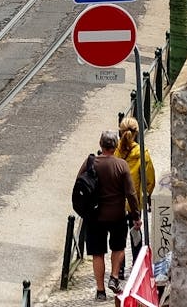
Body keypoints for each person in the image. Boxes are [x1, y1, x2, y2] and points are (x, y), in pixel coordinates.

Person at [77, 129, 140, 300]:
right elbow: (131, 193)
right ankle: (113, 276)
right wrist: (136, 215)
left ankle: (100, 291)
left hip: (95, 216)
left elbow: (79, 184)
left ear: (101, 144)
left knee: (98, 253)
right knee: (118, 248)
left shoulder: (90, 163)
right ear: (116, 145)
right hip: (117, 215)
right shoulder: (121, 165)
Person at [116, 116, 155, 276]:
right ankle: (137, 270)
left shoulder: (115, 152)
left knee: (118, 240)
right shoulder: (142, 153)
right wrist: (146, 196)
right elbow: (149, 179)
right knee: (136, 238)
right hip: (134, 203)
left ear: (120, 133)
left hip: (117, 203)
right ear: (137, 133)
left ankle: (119, 270)